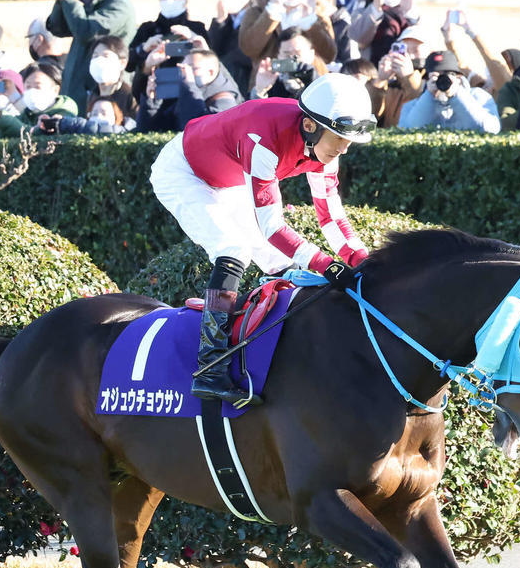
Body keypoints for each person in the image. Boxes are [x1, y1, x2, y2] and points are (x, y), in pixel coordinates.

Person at [148, 73, 376, 406]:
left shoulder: (324, 142)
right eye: (338, 138)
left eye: (348, 140)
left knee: (278, 263)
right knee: (233, 249)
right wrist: (326, 264)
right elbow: (272, 228)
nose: (344, 147)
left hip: (229, 176)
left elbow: (331, 217)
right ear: (311, 126)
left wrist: (362, 259)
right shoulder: (263, 137)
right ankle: (210, 368)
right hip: (184, 173)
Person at [40, 0, 137, 106]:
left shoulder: (120, 4)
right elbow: (58, 28)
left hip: (101, 94)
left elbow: (86, 31)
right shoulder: (92, 0)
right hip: (75, 87)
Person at [239, 0, 337, 86]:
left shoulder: (317, 15)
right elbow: (248, 48)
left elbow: (329, 55)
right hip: (269, 85)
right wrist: (271, 11)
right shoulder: (257, 12)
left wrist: (310, 22)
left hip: (312, 85)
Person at [135, 47, 241, 132]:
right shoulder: (186, 92)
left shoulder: (225, 101)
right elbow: (149, 130)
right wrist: (151, 101)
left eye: (192, 68)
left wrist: (189, 85)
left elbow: (199, 130)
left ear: (211, 72)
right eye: (183, 68)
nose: (185, 72)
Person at [398, 50, 499, 133]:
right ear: (427, 80)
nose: (441, 79)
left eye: (446, 74)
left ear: (458, 77)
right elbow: (407, 131)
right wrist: (429, 96)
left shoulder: (478, 96)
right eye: (435, 76)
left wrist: (456, 95)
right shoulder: (413, 106)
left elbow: (489, 129)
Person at [129, 0, 209, 79]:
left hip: (189, 85)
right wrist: (144, 48)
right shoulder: (147, 29)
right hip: (153, 87)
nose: (169, 0)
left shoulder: (197, 28)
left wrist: (193, 38)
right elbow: (128, 65)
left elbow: (213, 61)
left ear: (185, 0)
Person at [347, 0, 418, 63]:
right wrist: (376, 7)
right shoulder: (361, 14)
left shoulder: (413, 16)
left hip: (406, 70)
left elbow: (420, 41)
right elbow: (359, 39)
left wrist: (409, 12)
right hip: (373, 71)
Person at [365, 23, 430, 126]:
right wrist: (379, 81)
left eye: (415, 50)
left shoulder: (433, 78)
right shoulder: (392, 82)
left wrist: (408, 77)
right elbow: (371, 115)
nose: (410, 56)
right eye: (405, 50)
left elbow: (418, 105)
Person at [208, 0, 254, 92]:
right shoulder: (225, 20)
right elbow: (212, 50)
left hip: (248, 82)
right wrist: (220, 21)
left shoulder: (258, 16)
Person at [251, 30, 327, 101]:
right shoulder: (272, 83)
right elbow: (254, 113)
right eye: (286, 54)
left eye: (298, 53)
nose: (292, 59)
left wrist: (311, 81)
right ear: (278, 56)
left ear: (311, 54)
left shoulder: (325, 80)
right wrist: (260, 90)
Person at [85, 35, 137, 121]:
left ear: (122, 63)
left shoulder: (130, 95)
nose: (99, 60)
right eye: (95, 56)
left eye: (106, 56)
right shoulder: (92, 95)